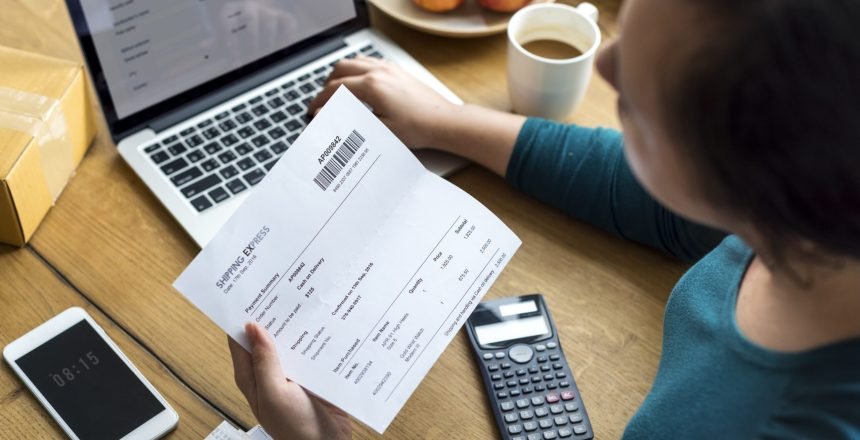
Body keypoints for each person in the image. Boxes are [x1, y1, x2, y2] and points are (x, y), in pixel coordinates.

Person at [228, 0, 860, 437]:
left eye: (648, 90)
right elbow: (653, 193)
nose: (607, 66)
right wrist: (443, 121)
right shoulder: (817, 210)